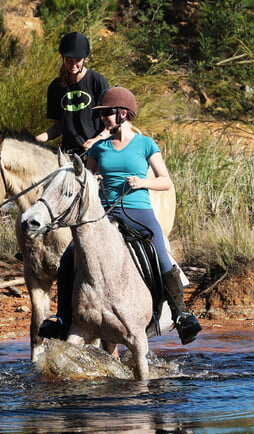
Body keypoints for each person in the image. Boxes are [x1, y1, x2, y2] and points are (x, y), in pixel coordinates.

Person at [38, 86, 202, 345]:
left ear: (124, 113)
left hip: (138, 211)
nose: (102, 118)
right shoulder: (99, 147)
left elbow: (165, 181)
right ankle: (61, 318)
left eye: (107, 113)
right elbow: (86, 179)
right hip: (103, 213)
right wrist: (94, 179)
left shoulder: (146, 144)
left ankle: (181, 316)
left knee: (161, 256)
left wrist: (142, 182)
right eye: (102, 113)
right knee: (69, 257)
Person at [35, 32, 110, 156]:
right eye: (69, 60)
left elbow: (112, 123)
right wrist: (34, 140)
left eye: (78, 60)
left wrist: (97, 139)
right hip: (68, 153)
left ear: (84, 59)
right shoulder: (55, 87)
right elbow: (57, 127)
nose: (73, 65)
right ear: (63, 59)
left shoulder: (97, 81)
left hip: (97, 151)